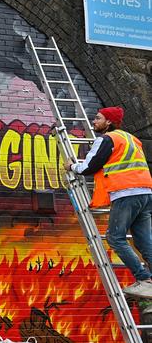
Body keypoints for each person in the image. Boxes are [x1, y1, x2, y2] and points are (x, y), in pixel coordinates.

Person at [64, 106, 152, 299]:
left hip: (125, 192)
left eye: (98, 118)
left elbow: (89, 167)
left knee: (115, 238)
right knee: (144, 240)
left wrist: (71, 166)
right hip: (145, 192)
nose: (94, 122)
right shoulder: (131, 138)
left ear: (109, 122)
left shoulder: (106, 139)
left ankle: (144, 279)